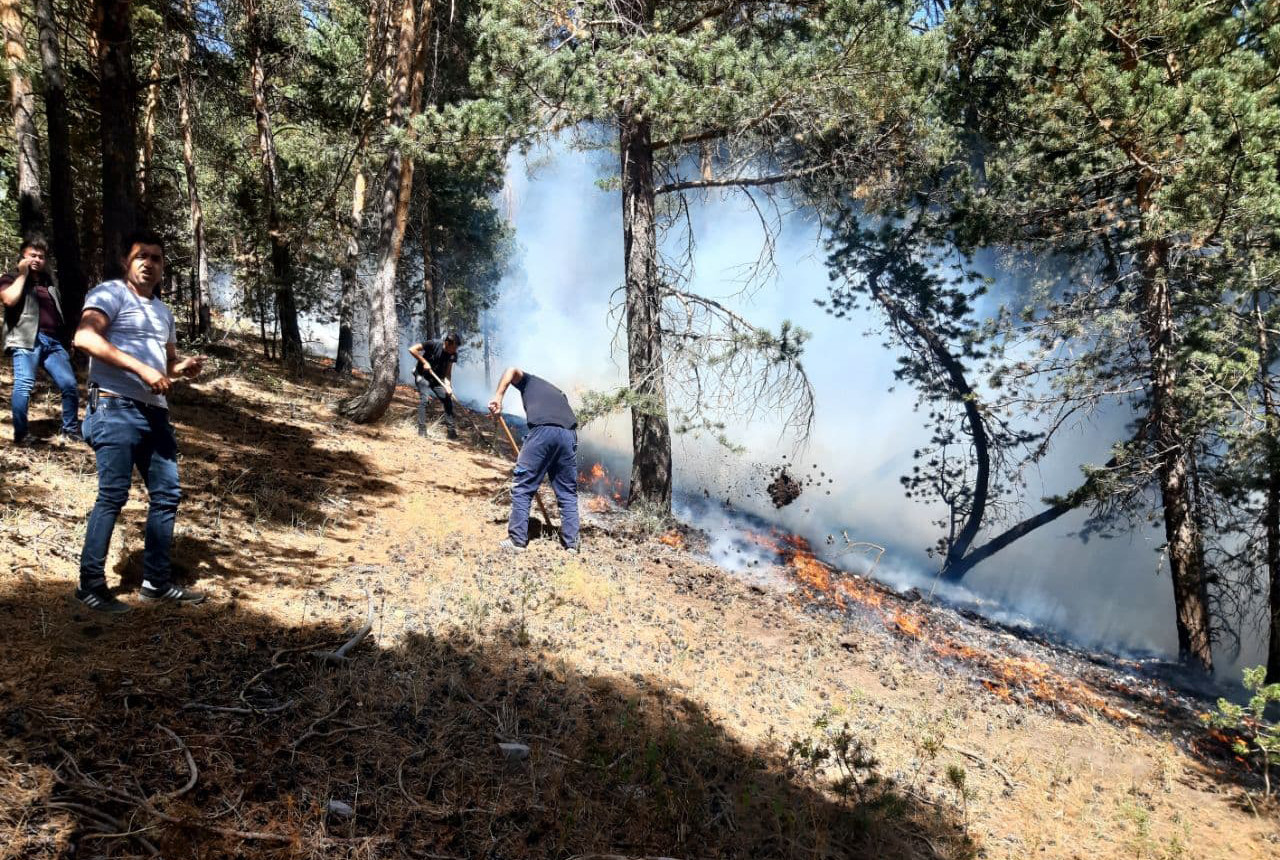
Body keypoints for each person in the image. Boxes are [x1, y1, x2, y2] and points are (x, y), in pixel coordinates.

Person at [72, 231, 205, 613]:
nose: (148, 262)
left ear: (163, 267)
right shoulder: (109, 294)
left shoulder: (163, 312)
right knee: (113, 495)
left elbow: (165, 366)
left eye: (156, 258)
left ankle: (155, 582)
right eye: (140, 256)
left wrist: (180, 369)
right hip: (114, 407)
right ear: (126, 262)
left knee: (167, 495)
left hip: (155, 413)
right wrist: (142, 370)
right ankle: (91, 584)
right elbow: (84, 338)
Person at [488, 367, 580, 552]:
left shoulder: (530, 381)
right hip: (569, 435)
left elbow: (511, 370)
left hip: (543, 432)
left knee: (523, 486)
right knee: (567, 493)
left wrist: (498, 397)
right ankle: (572, 544)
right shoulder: (559, 395)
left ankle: (517, 541)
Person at [0, 236, 80, 444]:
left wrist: (67, 339)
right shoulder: (10, 279)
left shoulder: (50, 285)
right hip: (27, 339)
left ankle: (70, 430)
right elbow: (9, 300)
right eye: (32, 255)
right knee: (24, 384)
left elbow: (58, 314)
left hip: (53, 342)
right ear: (22, 258)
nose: (36, 259)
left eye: (41, 257)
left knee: (69, 384)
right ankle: (21, 433)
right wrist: (23, 274)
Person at [408, 332, 460, 440]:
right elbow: (412, 349)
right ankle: (422, 432)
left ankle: (451, 433)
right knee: (425, 400)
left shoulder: (453, 354)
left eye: (456, 348)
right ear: (447, 343)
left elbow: (448, 373)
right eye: (453, 347)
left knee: (447, 400)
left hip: (437, 380)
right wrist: (424, 362)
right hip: (422, 375)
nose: (455, 350)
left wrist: (448, 385)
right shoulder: (433, 344)